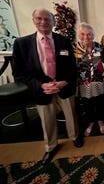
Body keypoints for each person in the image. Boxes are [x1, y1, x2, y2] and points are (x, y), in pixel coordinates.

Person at [12, 8, 83, 165]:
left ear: (53, 22)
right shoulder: (22, 44)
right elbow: (19, 74)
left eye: (47, 19)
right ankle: (51, 147)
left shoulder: (63, 41)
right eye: (39, 18)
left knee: (71, 114)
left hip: (63, 86)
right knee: (47, 119)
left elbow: (72, 67)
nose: (43, 22)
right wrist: (41, 85)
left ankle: (75, 137)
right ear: (34, 20)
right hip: (41, 89)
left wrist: (64, 81)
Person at [74, 23, 104, 137]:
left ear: (93, 35)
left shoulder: (99, 47)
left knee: (99, 102)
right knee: (88, 104)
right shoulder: (74, 48)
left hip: (98, 81)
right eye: (83, 34)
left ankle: (101, 121)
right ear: (79, 35)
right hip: (84, 83)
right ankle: (91, 122)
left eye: (89, 34)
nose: (86, 37)